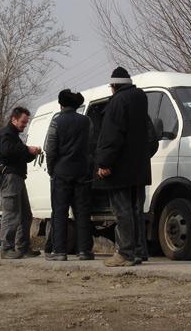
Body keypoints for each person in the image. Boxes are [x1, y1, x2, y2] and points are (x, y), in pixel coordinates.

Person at [94, 67, 159, 267]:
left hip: (120, 170)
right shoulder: (141, 103)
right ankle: (139, 251)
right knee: (136, 210)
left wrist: (104, 162)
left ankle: (125, 254)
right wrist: (140, 158)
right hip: (138, 170)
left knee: (122, 211)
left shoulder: (117, 103)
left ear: (114, 86)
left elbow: (111, 135)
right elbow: (152, 139)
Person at [44, 89, 94, 261]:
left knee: (60, 212)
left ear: (61, 104)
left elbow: (50, 149)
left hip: (61, 174)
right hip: (82, 173)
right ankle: (84, 251)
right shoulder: (87, 121)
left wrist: (52, 170)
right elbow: (91, 145)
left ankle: (60, 251)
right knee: (82, 212)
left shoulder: (56, 122)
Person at [0, 106, 42, 259]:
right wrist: (27, 149)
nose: (24, 125)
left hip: (18, 178)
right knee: (11, 214)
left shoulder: (15, 136)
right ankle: (6, 248)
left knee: (26, 215)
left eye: (26, 122)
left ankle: (23, 247)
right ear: (13, 119)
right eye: (23, 122)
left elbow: (21, 155)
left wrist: (32, 153)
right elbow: (7, 151)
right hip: (10, 178)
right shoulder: (5, 134)